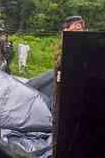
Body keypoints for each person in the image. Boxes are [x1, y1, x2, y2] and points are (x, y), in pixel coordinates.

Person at [52, 16, 86, 157]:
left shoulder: (87, 47)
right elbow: (59, 65)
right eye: (75, 28)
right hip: (63, 97)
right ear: (65, 30)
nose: (80, 32)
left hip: (82, 96)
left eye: (82, 29)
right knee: (61, 130)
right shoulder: (61, 47)